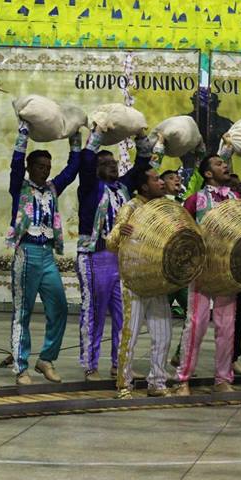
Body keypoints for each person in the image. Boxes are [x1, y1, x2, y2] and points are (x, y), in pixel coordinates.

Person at [75, 126, 156, 381]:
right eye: (105, 163)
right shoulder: (90, 187)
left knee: (124, 315)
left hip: (121, 259)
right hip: (95, 256)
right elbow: (86, 162)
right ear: (95, 168)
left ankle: (120, 364)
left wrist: (141, 137)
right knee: (94, 312)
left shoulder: (123, 187)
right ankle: (90, 366)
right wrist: (97, 135)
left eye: (114, 162)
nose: (112, 165)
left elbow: (142, 164)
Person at [6, 122, 80, 385]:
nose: (45, 171)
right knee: (22, 312)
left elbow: (72, 170)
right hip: (26, 253)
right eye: (40, 166)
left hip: (47, 255)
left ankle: (46, 359)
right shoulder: (20, 186)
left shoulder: (52, 188)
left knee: (59, 307)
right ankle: (20, 367)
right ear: (30, 167)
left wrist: (75, 137)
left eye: (48, 167)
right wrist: (23, 133)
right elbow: (15, 164)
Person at [171, 154, 241, 395]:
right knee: (196, 324)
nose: (225, 166)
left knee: (227, 327)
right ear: (208, 174)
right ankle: (183, 379)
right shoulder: (195, 200)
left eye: (225, 162)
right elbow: (182, 231)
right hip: (201, 270)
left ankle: (223, 379)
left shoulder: (236, 199)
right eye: (219, 164)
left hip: (227, 272)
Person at [105, 167, 173, 398]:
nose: (161, 183)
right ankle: (124, 384)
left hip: (158, 280)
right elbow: (110, 243)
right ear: (144, 186)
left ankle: (157, 382)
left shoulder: (164, 208)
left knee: (163, 335)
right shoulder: (131, 207)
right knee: (130, 334)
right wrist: (119, 232)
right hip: (133, 280)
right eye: (156, 179)